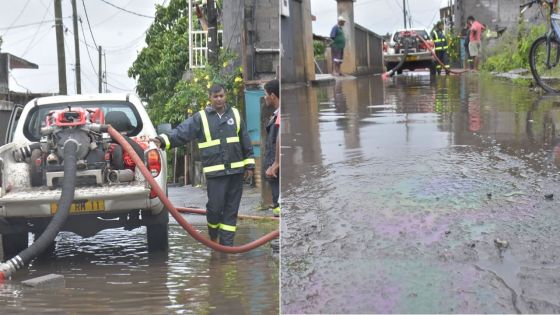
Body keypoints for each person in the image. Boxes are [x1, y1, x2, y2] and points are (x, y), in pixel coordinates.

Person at [152, 84, 255, 246]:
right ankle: (214, 235)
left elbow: (245, 139)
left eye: (221, 96)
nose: (219, 99)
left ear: (225, 96)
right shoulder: (201, 118)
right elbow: (182, 132)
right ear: (210, 98)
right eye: (215, 96)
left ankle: (226, 247)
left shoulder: (234, 114)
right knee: (214, 209)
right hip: (215, 174)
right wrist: (164, 140)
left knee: (231, 210)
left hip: (235, 172)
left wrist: (249, 165)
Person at [263, 79, 280, 217]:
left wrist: (276, 163)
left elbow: (280, 137)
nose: (264, 97)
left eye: (265, 94)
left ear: (272, 95)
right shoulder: (276, 115)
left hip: (278, 171)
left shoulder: (280, 115)